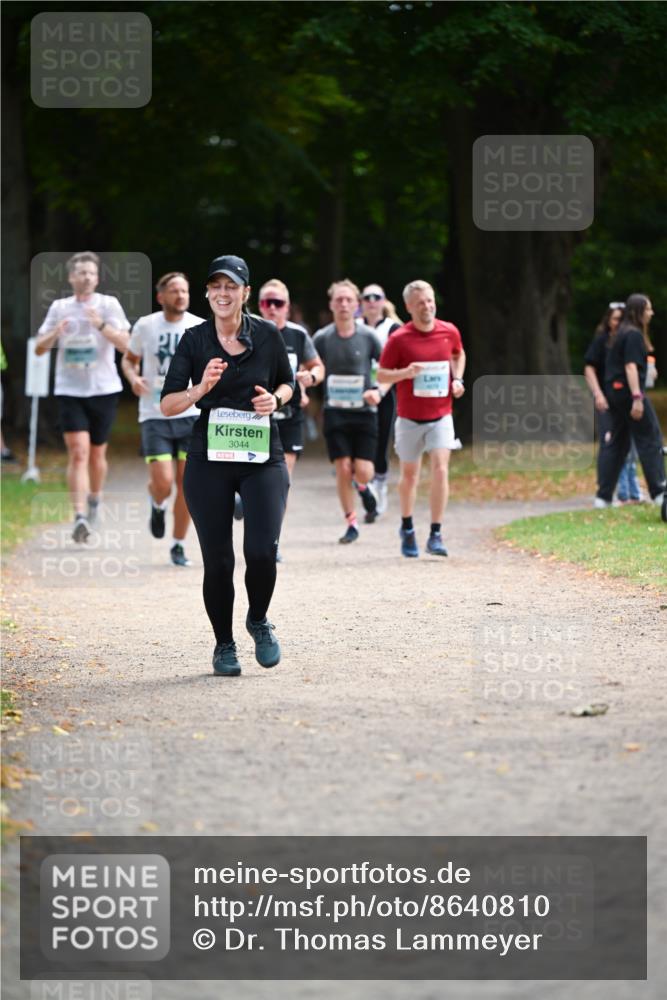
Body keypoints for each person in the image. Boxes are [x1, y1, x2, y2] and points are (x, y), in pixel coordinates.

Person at [160, 255, 295, 676]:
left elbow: (288, 383)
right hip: (209, 457)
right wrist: (201, 387)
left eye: (231, 286)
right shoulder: (194, 340)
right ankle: (224, 645)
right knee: (218, 561)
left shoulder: (268, 336)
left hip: (261, 458)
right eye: (215, 285)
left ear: (245, 293)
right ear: (207, 292)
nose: (223, 293)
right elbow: (167, 404)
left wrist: (276, 400)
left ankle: (258, 619)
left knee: (261, 552)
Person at [34, 252, 130, 542]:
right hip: (69, 389)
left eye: (91, 272)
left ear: (97, 277)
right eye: (81, 273)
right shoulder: (60, 307)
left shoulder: (108, 305)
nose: (86, 277)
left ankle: (94, 500)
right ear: (71, 277)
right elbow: (39, 347)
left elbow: (127, 345)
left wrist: (101, 325)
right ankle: (78, 517)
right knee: (78, 452)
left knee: (97, 454)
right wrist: (55, 333)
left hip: (103, 388)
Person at [122, 272, 205, 566]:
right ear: (161, 297)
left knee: (187, 485)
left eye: (184, 290)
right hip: (154, 413)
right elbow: (129, 359)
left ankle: (179, 544)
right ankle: (157, 504)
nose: (180, 295)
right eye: (174, 291)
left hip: (190, 413)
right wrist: (132, 378)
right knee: (164, 482)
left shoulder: (198, 326)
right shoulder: (146, 325)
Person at [378, 279, 465, 558]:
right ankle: (407, 527)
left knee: (441, 467)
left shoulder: (448, 330)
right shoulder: (399, 339)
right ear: (408, 307)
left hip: (441, 414)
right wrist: (405, 373)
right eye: (420, 303)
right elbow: (380, 375)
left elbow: (458, 353)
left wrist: (458, 379)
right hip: (409, 418)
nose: (426, 307)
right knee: (410, 475)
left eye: (429, 301)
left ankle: (436, 533)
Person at [258, 279, 324, 558]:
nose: (272, 308)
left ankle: (272, 541)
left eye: (278, 303)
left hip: (290, 416)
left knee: (281, 481)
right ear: (258, 305)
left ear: (287, 306)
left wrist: (311, 377)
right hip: (254, 418)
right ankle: (241, 502)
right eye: (266, 302)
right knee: (254, 480)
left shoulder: (298, 335)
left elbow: (318, 366)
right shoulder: (247, 330)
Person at [313, 280, 382, 544]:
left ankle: (364, 486)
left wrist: (377, 388)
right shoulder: (322, 338)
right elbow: (313, 368)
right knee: (343, 467)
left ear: (356, 305)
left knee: (363, 471)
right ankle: (351, 522)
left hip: (364, 412)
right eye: (338, 300)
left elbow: (384, 366)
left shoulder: (368, 337)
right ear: (331, 304)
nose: (343, 304)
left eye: (348, 300)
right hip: (335, 413)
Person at [596, 293, 667, 520]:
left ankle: (603, 497)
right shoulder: (634, 334)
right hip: (629, 393)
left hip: (614, 392)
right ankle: (659, 491)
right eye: (648, 309)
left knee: (617, 443)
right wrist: (637, 398)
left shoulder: (620, 333)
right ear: (638, 311)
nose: (651, 313)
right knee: (651, 438)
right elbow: (630, 367)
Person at [360, 284, 402, 514]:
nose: (372, 301)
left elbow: (400, 361)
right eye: (367, 297)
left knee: (382, 437)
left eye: (377, 297)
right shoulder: (355, 326)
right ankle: (365, 485)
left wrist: (383, 388)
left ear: (383, 301)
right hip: (359, 391)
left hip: (385, 392)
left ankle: (380, 483)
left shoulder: (393, 328)